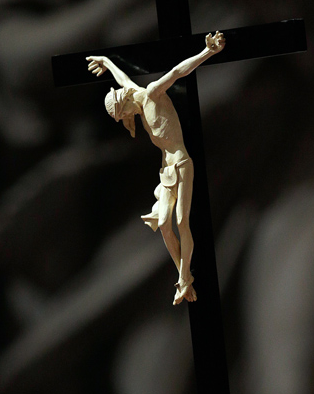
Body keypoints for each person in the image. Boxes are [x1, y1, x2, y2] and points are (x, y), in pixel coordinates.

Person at [86, 31, 226, 304]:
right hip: (166, 171)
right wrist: (106, 60)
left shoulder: (151, 94)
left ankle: (185, 279)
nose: (126, 117)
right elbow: (122, 79)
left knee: (182, 222)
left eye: (123, 113)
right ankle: (183, 275)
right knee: (164, 224)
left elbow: (176, 72)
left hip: (182, 164)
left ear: (126, 102)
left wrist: (208, 52)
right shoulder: (134, 97)